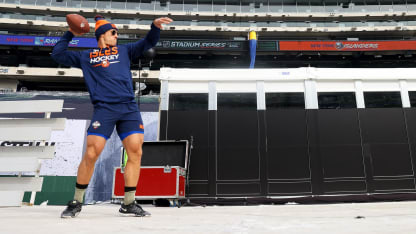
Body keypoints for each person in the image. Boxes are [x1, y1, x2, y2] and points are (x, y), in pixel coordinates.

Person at [51, 15, 173, 218]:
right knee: (92, 153)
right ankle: (76, 201)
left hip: (128, 108)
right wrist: (71, 33)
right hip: (104, 109)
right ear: (101, 36)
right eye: (113, 33)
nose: (117, 36)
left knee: (135, 152)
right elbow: (57, 54)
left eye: (117, 33)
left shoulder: (125, 50)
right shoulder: (87, 56)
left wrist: (154, 27)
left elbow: (148, 42)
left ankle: (129, 202)